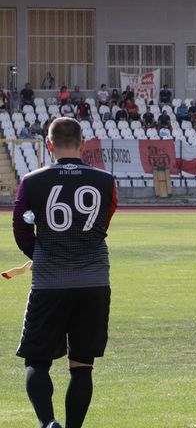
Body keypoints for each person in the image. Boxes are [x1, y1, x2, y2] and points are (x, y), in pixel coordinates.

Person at [12, 117, 118, 428]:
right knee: (82, 365)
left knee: (37, 360)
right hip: (95, 281)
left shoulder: (31, 181)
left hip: (49, 282)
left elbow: (20, 226)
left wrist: (40, 254)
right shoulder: (106, 180)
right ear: (83, 145)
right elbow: (103, 222)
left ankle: (48, 423)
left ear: (49, 145)